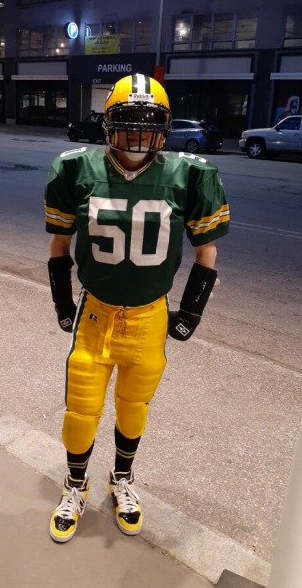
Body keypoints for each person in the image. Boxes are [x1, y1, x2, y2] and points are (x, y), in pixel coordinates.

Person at [44, 73, 230, 543]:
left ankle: (122, 480)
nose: (138, 135)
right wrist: (62, 299)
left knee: (133, 408)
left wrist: (190, 311)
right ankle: (74, 485)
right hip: (96, 312)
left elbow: (207, 251)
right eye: (128, 123)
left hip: (149, 315)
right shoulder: (75, 169)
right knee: (80, 410)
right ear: (109, 125)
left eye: (149, 125)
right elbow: (59, 242)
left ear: (164, 130)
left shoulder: (189, 174)